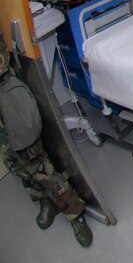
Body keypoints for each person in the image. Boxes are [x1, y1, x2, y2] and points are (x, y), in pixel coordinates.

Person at [0, 37, 92, 247]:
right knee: (12, 160)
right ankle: (43, 200)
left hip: (4, 92)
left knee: (35, 160)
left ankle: (73, 211)